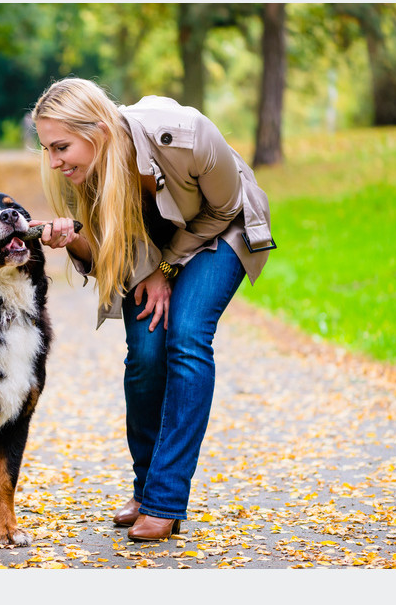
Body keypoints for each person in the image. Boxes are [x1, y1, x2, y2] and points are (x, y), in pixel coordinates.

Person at [29, 77, 275, 541]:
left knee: (185, 335)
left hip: (223, 230)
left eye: (61, 146)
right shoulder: (77, 175)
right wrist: (73, 239)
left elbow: (223, 209)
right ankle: (145, 489)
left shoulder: (186, 133)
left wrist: (164, 264)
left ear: (97, 129)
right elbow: (105, 253)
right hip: (149, 251)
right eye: (47, 149)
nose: (55, 161)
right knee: (144, 355)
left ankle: (165, 499)